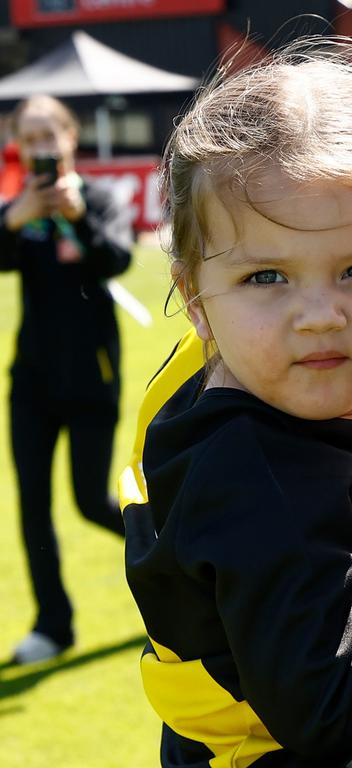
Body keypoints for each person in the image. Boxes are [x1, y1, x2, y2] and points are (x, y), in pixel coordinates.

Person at [121, 44, 352, 767]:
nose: (318, 315)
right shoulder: (258, 474)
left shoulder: (217, 374)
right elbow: (324, 710)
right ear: (195, 298)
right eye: (267, 276)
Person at [0, 94, 133, 665]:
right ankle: (53, 625)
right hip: (31, 379)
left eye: (47, 136)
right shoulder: (17, 209)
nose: (40, 149)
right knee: (32, 507)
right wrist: (15, 218)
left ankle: (177, 557)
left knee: (89, 500)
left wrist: (77, 216)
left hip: (90, 379)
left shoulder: (98, 198)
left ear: (70, 138)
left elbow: (117, 260)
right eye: (28, 140)